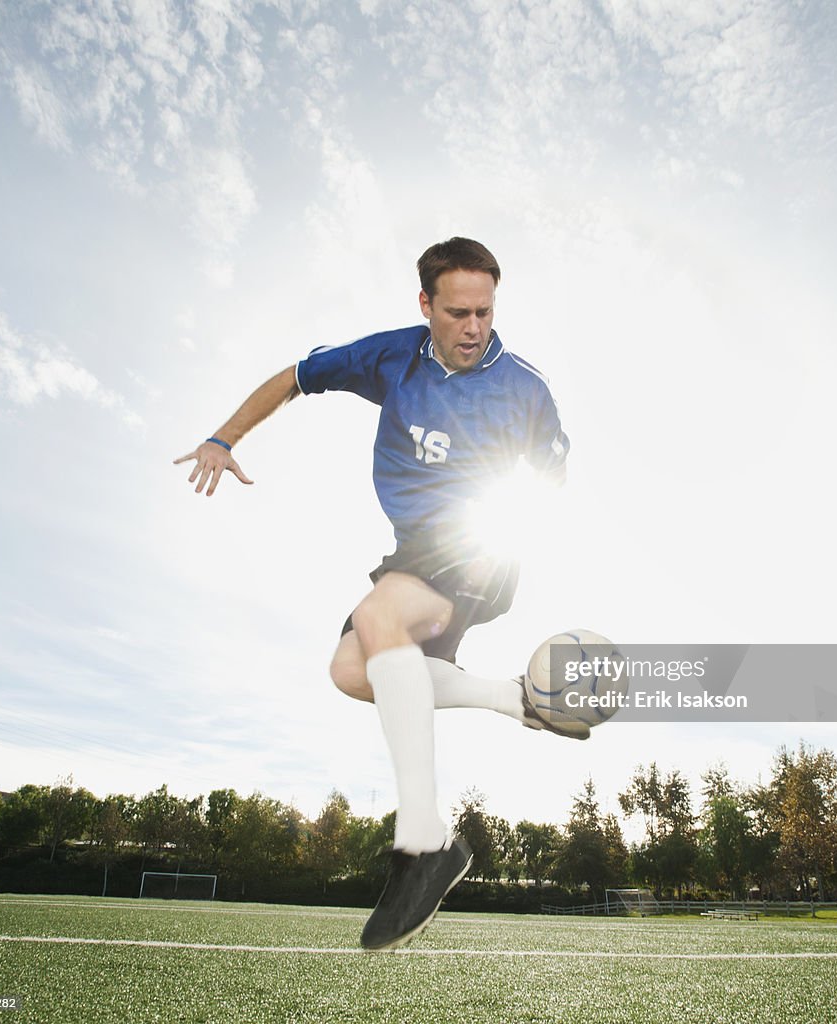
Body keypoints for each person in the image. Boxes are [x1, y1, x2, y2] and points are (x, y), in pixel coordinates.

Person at [174, 237, 579, 951]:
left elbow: (550, 482)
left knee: (377, 615)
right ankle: (516, 699)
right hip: (415, 550)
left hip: (479, 548)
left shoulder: (524, 387)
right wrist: (222, 437)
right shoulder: (392, 356)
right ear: (425, 305)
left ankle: (424, 844)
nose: (473, 327)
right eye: (457, 312)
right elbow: (296, 377)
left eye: (485, 311)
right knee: (352, 671)